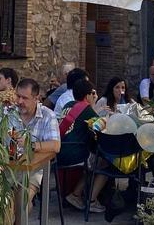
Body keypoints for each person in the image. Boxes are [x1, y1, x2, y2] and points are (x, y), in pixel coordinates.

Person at [11, 79, 61, 206]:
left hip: (32, 171)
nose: (20, 101)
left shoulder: (47, 115)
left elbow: (56, 146)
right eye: (18, 96)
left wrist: (30, 145)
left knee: (21, 201)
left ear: (36, 98)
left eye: (25, 98)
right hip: (7, 168)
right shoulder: (8, 112)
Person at [60, 79, 106, 214]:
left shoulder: (68, 104)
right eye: (93, 94)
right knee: (103, 161)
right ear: (87, 96)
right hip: (73, 153)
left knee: (93, 159)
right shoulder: (86, 109)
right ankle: (82, 197)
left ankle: (77, 194)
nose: (95, 96)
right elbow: (101, 126)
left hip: (59, 151)